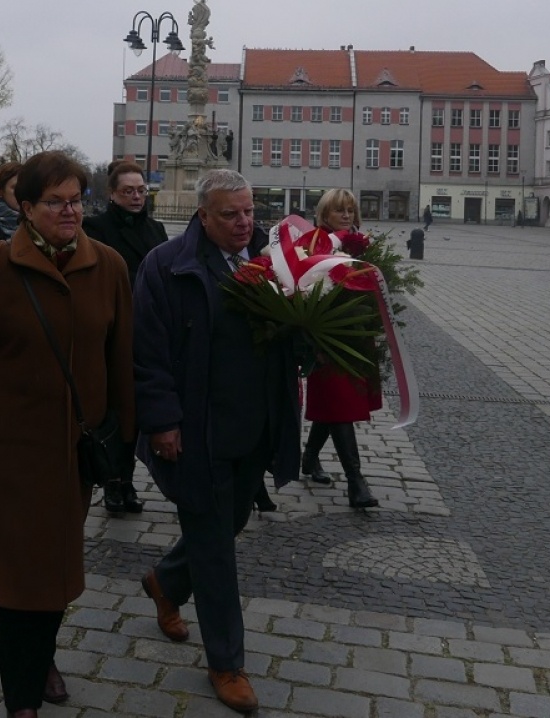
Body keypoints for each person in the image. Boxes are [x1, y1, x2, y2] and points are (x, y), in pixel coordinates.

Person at [0, 151, 135, 718]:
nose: (70, 211)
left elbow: (121, 361)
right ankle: (21, 701)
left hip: (75, 454)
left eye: (77, 200)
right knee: (18, 580)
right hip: (6, 454)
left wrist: (124, 440)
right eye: (55, 201)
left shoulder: (107, 266)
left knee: (54, 574)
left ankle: (44, 657)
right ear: (26, 207)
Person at [133, 169, 299, 715]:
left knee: (227, 525)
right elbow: (147, 353)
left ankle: (164, 582)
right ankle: (227, 663)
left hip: (255, 428)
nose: (244, 222)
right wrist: (161, 422)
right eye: (231, 214)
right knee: (216, 549)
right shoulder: (165, 266)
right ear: (203, 216)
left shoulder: (273, 265)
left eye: (249, 211)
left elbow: (292, 337)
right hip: (198, 430)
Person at [82, 160, 168, 516]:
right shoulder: (95, 227)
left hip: (146, 329)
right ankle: (111, 482)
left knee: (134, 412)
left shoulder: (156, 229)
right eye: (128, 191)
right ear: (112, 194)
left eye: (141, 190)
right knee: (112, 412)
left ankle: (127, 480)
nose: (136, 196)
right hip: (109, 329)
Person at [299, 189, 381, 509]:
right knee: (339, 404)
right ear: (324, 215)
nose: (346, 215)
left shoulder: (360, 243)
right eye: (339, 211)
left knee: (335, 406)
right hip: (326, 339)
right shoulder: (315, 245)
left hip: (354, 338)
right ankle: (355, 482)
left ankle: (308, 458)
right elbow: (305, 291)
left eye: (350, 210)